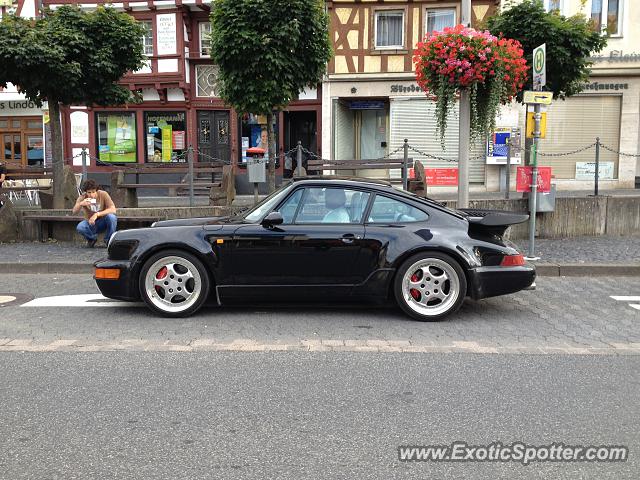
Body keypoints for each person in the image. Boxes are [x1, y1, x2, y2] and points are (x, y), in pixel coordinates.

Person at [73, 179, 117, 248]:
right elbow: (74, 211)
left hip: (103, 221)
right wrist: (81, 204)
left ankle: (108, 240)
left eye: (93, 192)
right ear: (86, 192)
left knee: (112, 217)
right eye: (89, 192)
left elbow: (113, 209)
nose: (92, 195)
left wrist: (96, 214)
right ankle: (92, 239)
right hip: (90, 223)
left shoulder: (103, 194)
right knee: (80, 227)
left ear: (96, 190)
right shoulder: (83, 197)